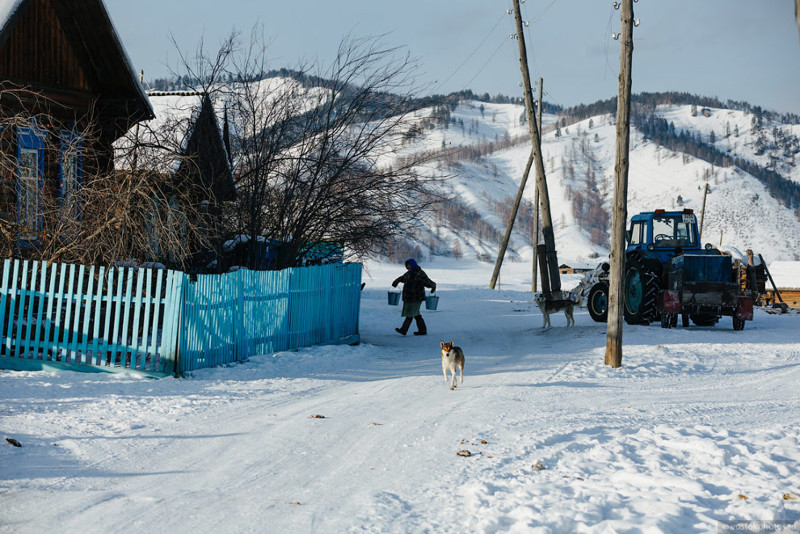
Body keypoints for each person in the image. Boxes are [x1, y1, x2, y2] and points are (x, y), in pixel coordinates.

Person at [392, 258, 436, 336]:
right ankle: (422, 330)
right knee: (415, 314)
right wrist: (396, 281)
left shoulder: (419, 273)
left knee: (410, 313)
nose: (408, 267)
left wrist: (433, 286)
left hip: (416, 297)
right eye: (407, 265)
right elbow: (402, 278)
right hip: (409, 297)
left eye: (409, 265)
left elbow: (427, 281)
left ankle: (404, 329)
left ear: (413, 265)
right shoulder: (408, 273)